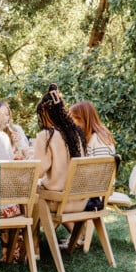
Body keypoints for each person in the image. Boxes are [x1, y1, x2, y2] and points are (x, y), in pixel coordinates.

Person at [34, 83, 88, 240]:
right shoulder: (76, 134)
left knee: (30, 192)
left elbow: (37, 171)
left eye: (41, 114)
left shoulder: (46, 135)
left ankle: (31, 247)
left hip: (58, 202)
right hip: (80, 200)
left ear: (46, 113)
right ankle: (77, 235)